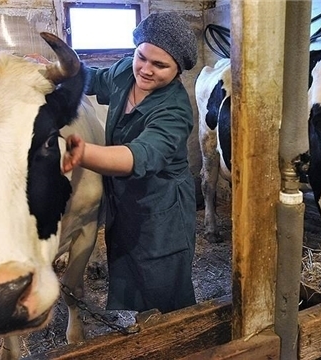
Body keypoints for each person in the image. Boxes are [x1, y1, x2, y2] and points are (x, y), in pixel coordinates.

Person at [63, 12, 198, 314]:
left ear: (178, 71)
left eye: (160, 65)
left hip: (161, 212)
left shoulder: (174, 110)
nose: (146, 70)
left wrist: (81, 153)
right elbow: (95, 79)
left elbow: (140, 156)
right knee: (128, 273)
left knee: (163, 286)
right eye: (142, 57)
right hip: (124, 204)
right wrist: (56, 71)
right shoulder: (127, 71)